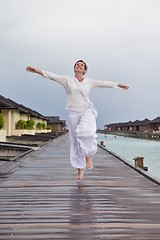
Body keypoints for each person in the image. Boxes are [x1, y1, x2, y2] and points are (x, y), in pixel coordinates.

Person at [26, 60, 129, 181]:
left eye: (82, 65)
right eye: (77, 64)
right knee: (75, 141)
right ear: (74, 68)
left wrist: (119, 85)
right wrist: (36, 71)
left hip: (86, 111)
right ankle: (80, 168)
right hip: (73, 113)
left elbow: (104, 83)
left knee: (88, 133)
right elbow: (51, 76)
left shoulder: (89, 82)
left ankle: (88, 156)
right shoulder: (67, 80)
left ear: (84, 70)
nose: (79, 66)